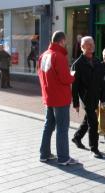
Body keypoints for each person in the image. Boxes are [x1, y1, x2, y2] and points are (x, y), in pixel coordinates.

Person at [37, 31, 79, 165]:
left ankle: (44, 154)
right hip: (60, 97)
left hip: (48, 96)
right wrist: (73, 75)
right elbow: (65, 78)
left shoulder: (43, 55)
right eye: (65, 41)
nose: (66, 44)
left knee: (48, 125)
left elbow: (40, 74)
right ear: (61, 41)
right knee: (62, 127)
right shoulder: (59, 56)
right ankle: (63, 157)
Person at [71, 36, 105, 159]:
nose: (91, 46)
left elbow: (101, 81)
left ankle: (77, 137)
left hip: (95, 96)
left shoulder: (97, 62)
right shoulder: (77, 64)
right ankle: (94, 148)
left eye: (92, 44)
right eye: (87, 44)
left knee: (88, 120)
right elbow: (74, 86)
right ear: (82, 47)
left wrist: (102, 97)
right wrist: (75, 103)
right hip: (85, 97)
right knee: (93, 122)